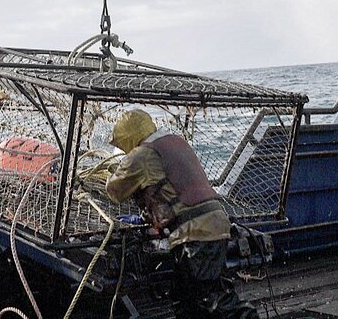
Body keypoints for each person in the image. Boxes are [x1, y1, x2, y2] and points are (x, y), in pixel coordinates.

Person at [105, 109, 258, 319]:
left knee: (213, 300)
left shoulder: (140, 155)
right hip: (214, 220)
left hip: (195, 231)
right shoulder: (175, 142)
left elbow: (114, 191)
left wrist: (113, 168)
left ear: (127, 137)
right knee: (185, 299)